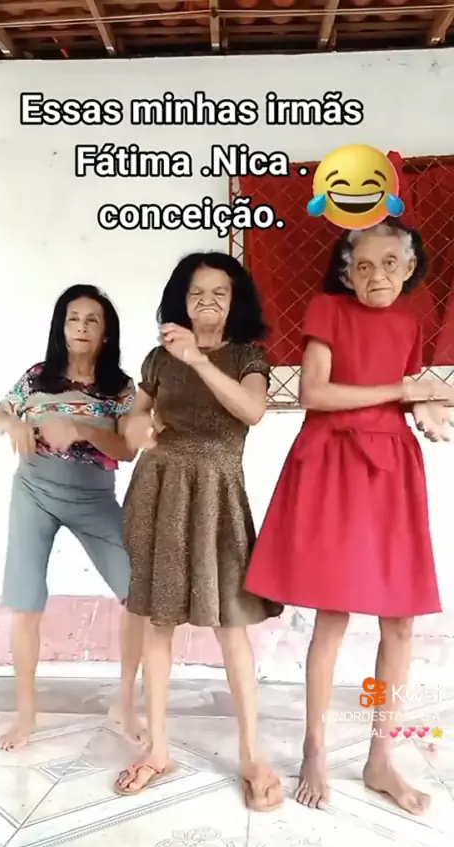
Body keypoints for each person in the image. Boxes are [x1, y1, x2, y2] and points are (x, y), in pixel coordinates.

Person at [244, 219, 454, 815]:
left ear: (409, 269)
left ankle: (380, 756)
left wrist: (427, 407)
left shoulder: (411, 322)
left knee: (401, 621)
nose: (376, 275)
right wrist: (403, 391)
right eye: (363, 266)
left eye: (389, 264)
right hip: (333, 459)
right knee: (332, 613)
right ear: (346, 272)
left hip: (392, 466)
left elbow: (402, 394)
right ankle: (314, 748)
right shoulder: (327, 310)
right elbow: (315, 393)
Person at [113, 251, 284, 810]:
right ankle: (158, 749)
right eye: (196, 293)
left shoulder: (248, 357)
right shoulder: (158, 360)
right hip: (159, 491)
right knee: (157, 622)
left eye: (219, 293)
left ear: (235, 303)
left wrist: (198, 359)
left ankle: (252, 754)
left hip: (217, 495)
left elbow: (252, 411)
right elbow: (133, 420)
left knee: (231, 626)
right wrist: (138, 427)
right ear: (180, 302)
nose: (207, 301)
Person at [0, 284, 144, 751]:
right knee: (27, 601)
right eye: (73, 318)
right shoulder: (38, 377)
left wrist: (80, 429)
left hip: (93, 497)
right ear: (61, 326)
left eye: (92, 320)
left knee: (139, 595)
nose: (81, 327)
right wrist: (14, 423)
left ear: (105, 333)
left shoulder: (121, 389)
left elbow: (128, 450)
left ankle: (126, 704)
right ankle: (26, 717)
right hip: (34, 490)